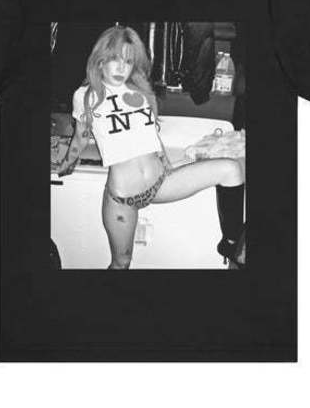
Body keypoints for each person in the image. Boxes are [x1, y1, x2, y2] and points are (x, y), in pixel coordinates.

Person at [54, 25, 246, 269]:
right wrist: (66, 164)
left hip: (161, 183)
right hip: (123, 198)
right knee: (121, 263)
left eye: (128, 61)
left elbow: (152, 136)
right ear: (100, 60)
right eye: (115, 59)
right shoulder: (86, 95)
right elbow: (80, 137)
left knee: (231, 170)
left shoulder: (140, 91)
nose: (121, 68)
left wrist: (168, 164)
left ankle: (231, 245)